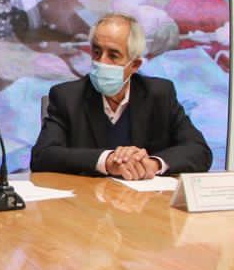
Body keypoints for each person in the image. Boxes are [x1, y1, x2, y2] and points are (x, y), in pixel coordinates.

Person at [30, 14, 211, 178]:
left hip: (145, 206)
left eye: (113, 55)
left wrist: (153, 164)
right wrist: (108, 161)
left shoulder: (159, 94)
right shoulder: (67, 96)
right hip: (87, 206)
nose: (102, 62)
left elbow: (199, 151)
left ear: (135, 65)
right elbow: (42, 156)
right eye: (97, 52)